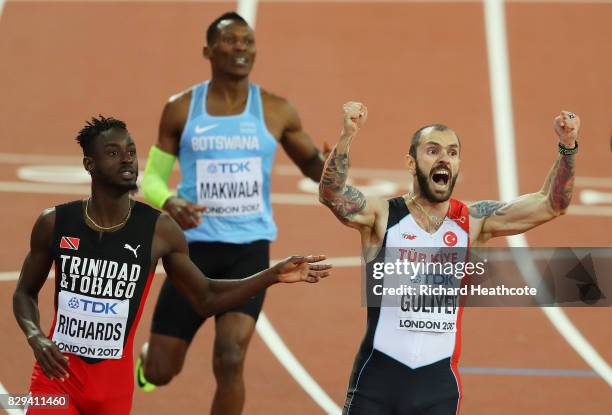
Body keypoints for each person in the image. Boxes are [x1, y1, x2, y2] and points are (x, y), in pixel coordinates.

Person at [12, 116, 331, 414]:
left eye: (131, 152)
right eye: (113, 152)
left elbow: (205, 296)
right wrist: (35, 335)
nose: (127, 160)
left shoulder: (159, 230)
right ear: (89, 165)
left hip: (112, 388)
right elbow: (24, 292)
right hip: (56, 378)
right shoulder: (55, 223)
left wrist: (272, 275)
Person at [319, 102, 579, 414]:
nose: (444, 158)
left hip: (437, 390)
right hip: (376, 385)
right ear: (411, 162)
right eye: (433, 150)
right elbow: (332, 195)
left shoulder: (474, 222)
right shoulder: (384, 216)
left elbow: (552, 204)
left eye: (452, 153)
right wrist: (347, 136)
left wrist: (567, 146)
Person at [137, 11, 329, 414]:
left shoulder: (276, 110)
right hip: (191, 252)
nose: (241, 47)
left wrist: (331, 163)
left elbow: (313, 169)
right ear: (208, 50)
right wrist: (170, 201)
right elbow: (151, 179)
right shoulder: (181, 109)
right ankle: (149, 360)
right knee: (160, 371)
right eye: (231, 40)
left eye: (248, 41)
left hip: (248, 250)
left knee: (230, 357)